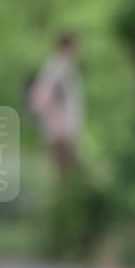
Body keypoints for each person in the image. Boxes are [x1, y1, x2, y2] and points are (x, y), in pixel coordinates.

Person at [28, 33, 83, 175]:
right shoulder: (58, 67)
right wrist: (60, 123)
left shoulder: (60, 67)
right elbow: (43, 97)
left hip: (62, 130)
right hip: (61, 131)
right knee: (64, 173)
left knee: (64, 173)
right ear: (65, 47)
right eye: (74, 47)